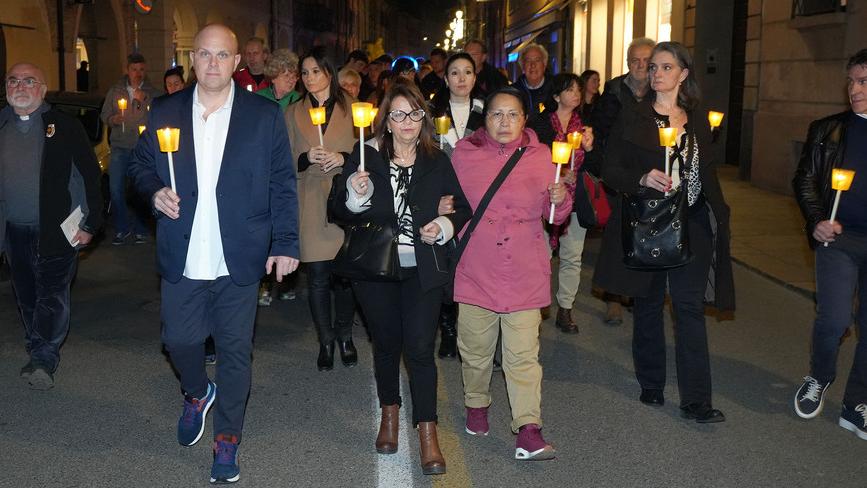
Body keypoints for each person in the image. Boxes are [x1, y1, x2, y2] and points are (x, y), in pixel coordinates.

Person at [128, 24, 299, 484]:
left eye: (222, 55)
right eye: (204, 54)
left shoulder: (263, 116)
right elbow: (140, 165)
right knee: (179, 341)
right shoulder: (166, 109)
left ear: (237, 61)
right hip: (183, 251)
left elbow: (282, 182)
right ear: (193, 59)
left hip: (238, 254)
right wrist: (154, 191)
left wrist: (285, 242)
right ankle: (198, 392)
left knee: (235, 352)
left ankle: (227, 440)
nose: (212, 63)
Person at [330, 81, 471, 475]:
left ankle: (428, 432)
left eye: (414, 113)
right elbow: (338, 209)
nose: (407, 121)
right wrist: (355, 193)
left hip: (422, 269)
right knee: (387, 344)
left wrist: (442, 225)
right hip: (376, 269)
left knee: (421, 349)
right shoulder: (365, 155)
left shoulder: (436, 159)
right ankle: (389, 414)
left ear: (423, 117)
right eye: (398, 114)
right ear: (386, 121)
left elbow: (461, 207)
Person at [595, 41, 734, 423]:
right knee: (650, 303)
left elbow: (707, 172)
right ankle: (652, 382)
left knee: (689, 307)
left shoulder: (697, 119)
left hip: (692, 222)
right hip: (650, 222)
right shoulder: (633, 117)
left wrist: (719, 213)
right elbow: (610, 170)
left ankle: (697, 401)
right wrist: (641, 178)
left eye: (666, 67)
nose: (656, 73)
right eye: (654, 67)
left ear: (683, 74)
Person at [452, 87, 570, 460]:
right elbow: (449, 204)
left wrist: (561, 199)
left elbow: (556, 216)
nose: (504, 122)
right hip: (476, 268)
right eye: (496, 114)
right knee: (476, 352)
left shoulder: (543, 156)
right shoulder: (463, 154)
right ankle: (476, 403)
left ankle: (529, 429)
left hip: (524, 269)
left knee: (523, 356)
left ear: (524, 119)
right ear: (484, 119)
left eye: (513, 114)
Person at [1, 62, 103, 390]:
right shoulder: (1, 124)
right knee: (26, 295)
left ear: (42, 90)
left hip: (57, 230)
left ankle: (44, 357)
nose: (20, 86)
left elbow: (90, 176)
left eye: (29, 81)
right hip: (13, 231)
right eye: (13, 80)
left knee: (52, 294)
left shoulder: (64, 126)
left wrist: (91, 223)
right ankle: (37, 345)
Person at [792, 48, 867, 440]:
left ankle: (856, 404)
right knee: (835, 319)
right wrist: (817, 220)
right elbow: (804, 179)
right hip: (838, 238)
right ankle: (819, 377)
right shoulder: (829, 130)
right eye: (851, 81)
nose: (854, 89)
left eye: (863, 81)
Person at [285, 47, 359, 371]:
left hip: (346, 199)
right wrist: (305, 158)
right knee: (317, 276)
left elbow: (369, 153)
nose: (309, 77)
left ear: (329, 72)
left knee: (345, 277)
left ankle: (345, 335)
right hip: (311, 200)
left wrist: (343, 158)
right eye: (304, 72)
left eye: (315, 71)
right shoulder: (293, 112)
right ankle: (325, 339)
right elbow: (282, 159)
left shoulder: (353, 108)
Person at [590, 37, 656, 325]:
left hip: (652, 173)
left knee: (646, 236)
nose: (640, 65)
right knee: (617, 239)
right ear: (628, 62)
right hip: (620, 173)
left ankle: (640, 294)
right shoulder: (614, 90)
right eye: (635, 60)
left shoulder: (661, 89)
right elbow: (600, 129)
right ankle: (614, 298)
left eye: (646, 60)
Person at [428, 52, 486, 358]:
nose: (461, 78)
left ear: (475, 77)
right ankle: (448, 329)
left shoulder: (488, 111)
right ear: (446, 78)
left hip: (480, 196)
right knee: (448, 265)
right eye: (454, 72)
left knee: (476, 265)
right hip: (446, 197)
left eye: (467, 72)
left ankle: (475, 332)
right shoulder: (432, 112)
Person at [530, 73, 594, 334]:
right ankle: (537, 306)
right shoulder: (540, 123)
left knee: (572, 256)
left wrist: (589, 150)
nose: (576, 94)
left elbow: (598, 165)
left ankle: (565, 308)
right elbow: (531, 159)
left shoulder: (585, 125)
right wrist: (556, 172)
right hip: (547, 197)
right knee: (542, 256)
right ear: (556, 96)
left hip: (576, 199)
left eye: (578, 89)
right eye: (569, 90)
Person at [100, 52, 160, 245]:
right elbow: (104, 114)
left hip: (142, 148)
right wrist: (113, 119)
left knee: (140, 190)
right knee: (116, 189)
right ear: (127, 70)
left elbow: (157, 116)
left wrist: (143, 101)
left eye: (141, 69)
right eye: (134, 69)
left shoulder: (152, 92)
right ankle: (122, 227)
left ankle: (142, 229)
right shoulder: (116, 90)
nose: (138, 73)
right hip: (120, 146)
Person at [515, 44, 552, 120]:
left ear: (544, 65)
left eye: (537, 60)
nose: (533, 65)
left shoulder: (556, 89)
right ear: (522, 66)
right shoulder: (513, 92)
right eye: (528, 61)